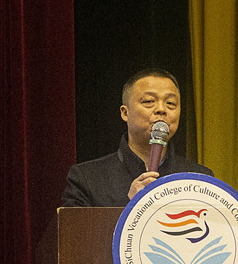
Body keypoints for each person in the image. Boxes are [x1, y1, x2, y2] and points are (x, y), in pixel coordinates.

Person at [61, 68, 213, 207]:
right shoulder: (87, 178)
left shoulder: (200, 179)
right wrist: (130, 206)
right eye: (149, 101)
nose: (161, 109)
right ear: (125, 113)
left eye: (171, 103)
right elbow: (75, 228)